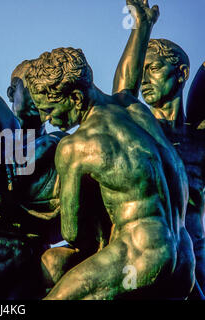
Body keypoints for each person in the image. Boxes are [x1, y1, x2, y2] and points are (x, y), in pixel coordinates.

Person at [26, 45, 195, 299]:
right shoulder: (133, 108)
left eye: (49, 109)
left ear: (75, 99)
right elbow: (127, 79)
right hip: (183, 259)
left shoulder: (75, 147)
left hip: (140, 256)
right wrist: (142, 24)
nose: (45, 119)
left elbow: (74, 234)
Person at [112, 0, 205, 295]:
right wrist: (142, 27)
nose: (145, 80)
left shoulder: (200, 140)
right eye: (141, 71)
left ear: (181, 73)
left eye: (153, 68)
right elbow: (123, 98)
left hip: (197, 260)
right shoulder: (142, 130)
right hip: (147, 258)